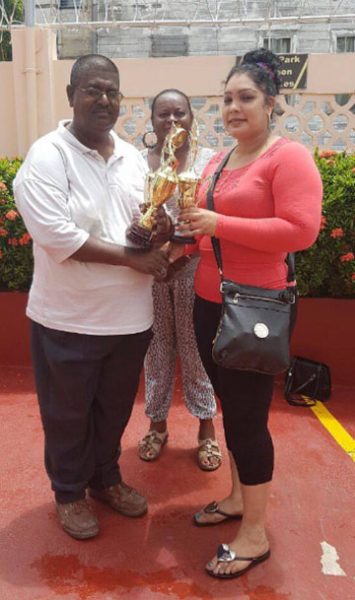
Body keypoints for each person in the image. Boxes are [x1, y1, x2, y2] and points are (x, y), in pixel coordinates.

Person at [175, 49, 322, 578]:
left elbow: (300, 232)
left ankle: (255, 534)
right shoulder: (220, 158)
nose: (234, 108)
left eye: (246, 98)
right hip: (210, 303)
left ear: (271, 103)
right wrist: (183, 242)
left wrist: (217, 223)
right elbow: (206, 230)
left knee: (247, 420)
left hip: (256, 307)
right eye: (227, 99)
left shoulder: (287, 157)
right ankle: (238, 498)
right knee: (229, 407)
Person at [14, 54, 171, 540]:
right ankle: (68, 492)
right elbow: (57, 236)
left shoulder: (130, 158)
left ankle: (105, 478)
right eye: (93, 90)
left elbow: (141, 225)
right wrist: (133, 260)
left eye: (112, 92)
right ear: (71, 96)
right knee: (66, 415)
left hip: (128, 320)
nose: (104, 100)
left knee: (114, 410)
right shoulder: (47, 156)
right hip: (68, 319)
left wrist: (158, 227)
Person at [138, 89, 222, 471]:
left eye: (180, 113)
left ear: (192, 117)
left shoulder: (210, 162)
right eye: (163, 114)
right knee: (155, 351)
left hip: (196, 269)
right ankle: (157, 426)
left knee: (197, 350)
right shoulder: (137, 163)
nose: (172, 121)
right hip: (152, 271)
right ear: (152, 120)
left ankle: (207, 431)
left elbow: (217, 216)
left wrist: (181, 250)